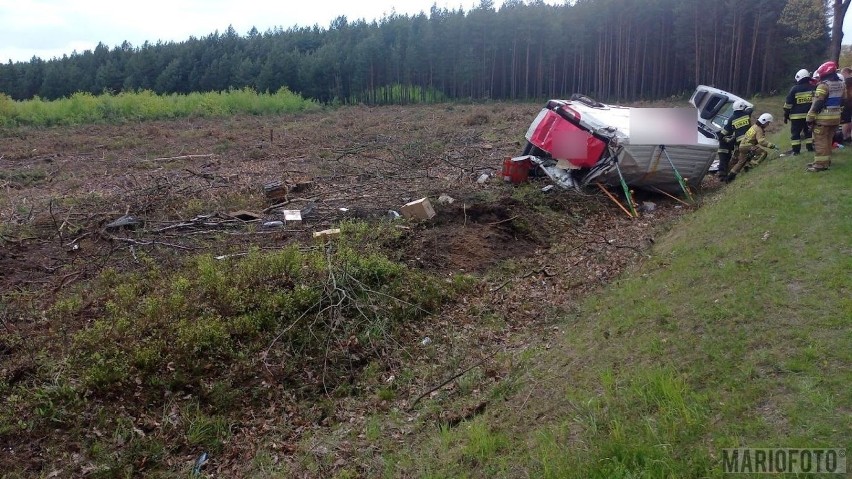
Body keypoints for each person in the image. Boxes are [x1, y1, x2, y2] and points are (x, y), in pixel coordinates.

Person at [806, 61, 846, 172]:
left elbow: (817, 103)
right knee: (828, 140)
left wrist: (810, 117)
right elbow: (844, 100)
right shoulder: (842, 84)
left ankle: (820, 165)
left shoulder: (823, 85)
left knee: (820, 141)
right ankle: (826, 161)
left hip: (823, 119)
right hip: (836, 118)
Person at [726, 113, 777, 182]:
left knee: (741, 162)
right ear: (764, 122)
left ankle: (729, 177)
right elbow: (761, 141)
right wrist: (772, 145)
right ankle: (750, 166)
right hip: (748, 146)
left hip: (742, 146)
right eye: (768, 123)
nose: (768, 125)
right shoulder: (759, 129)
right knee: (763, 153)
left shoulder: (754, 126)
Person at [716, 100, 752, 179]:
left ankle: (725, 173)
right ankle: (746, 165)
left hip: (739, 141)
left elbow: (725, 131)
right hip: (749, 139)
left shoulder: (732, 118)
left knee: (739, 155)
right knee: (745, 154)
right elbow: (750, 108)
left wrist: (720, 137)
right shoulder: (747, 114)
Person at [782, 69, 815, 155]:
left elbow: (788, 104)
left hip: (796, 117)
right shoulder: (813, 88)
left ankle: (796, 151)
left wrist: (786, 115)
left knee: (795, 134)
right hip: (809, 116)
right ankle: (810, 148)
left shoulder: (794, 89)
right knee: (808, 132)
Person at [841, 67, 852, 143]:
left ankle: (845, 137)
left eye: (842, 73)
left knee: (846, 121)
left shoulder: (846, 82)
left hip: (847, 102)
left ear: (845, 73)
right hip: (849, 102)